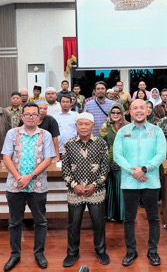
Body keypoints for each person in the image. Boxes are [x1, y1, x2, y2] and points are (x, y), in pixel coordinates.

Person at [1, 102, 55, 271]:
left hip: (38, 186)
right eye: (27, 114)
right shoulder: (12, 133)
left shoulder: (45, 135)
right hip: (15, 185)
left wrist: (30, 177)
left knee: (40, 222)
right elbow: (6, 157)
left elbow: (48, 159)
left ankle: (39, 253)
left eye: (34, 114)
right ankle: (15, 255)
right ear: (22, 116)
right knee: (14, 223)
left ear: (39, 117)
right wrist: (19, 178)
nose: (31, 117)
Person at [113, 99, 167, 267]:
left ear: (148, 111)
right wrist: (133, 171)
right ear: (129, 112)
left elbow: (161, 155)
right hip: (129, 183)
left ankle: (153, 251)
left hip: (150, 181)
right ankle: (131, 251)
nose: (138, 111)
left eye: (141, 108)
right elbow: (117, 156)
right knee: (129, 219)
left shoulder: (157, 131)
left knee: (153, 218)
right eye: (135, 108)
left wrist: (143, 169)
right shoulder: (122, 132)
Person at [61, 112, 110, 267]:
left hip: (96, 191)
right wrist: (74, 185)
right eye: (80, 124)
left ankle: (101, 250)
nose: (83, 127)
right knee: (73, 224)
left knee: (98, 223)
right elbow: (65, 169)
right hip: (75, 192)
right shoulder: (69, 144)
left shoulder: (101, 143)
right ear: (76, 126)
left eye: (87, 124)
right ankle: (72, 253)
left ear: (93, 126)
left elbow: (105, 167)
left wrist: (95, 184)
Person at [100, 103, 129, 222]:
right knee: (111, 189)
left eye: (118, 112)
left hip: (125, 161)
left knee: (123, 189)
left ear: (122, 113)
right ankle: (111, 215)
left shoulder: (128, 126)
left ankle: (123, 215)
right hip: (110, 161)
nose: (116, 115)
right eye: (113, 112)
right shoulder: (106, 126)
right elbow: (101, 142)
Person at [52, 94, 78, 159]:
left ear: (71, 103)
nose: (65, 104)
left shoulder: (76, 116)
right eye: (63, 102)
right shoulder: (54, 116)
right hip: (59, 149)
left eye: (67, 102)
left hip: (74, 149)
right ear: (60, 103)